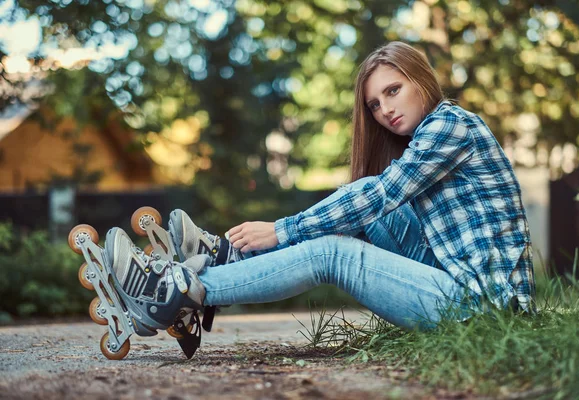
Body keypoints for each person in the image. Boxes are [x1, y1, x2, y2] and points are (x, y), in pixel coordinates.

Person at [109, 40, 536, 338]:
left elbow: (382, 195)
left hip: (484, 311)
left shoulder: (450, 125)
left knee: (333, 250)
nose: (385, 109)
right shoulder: (434, 133)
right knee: (366, 194)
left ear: (421, 80)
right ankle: (230, 255)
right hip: (454, 279)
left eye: (393, 90)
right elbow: (373, 197)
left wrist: (283, 229)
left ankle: (172, 292)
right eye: (374, 104)